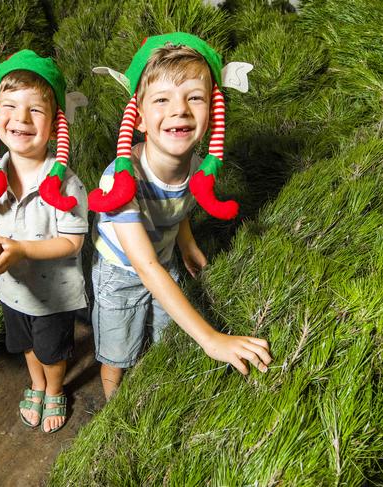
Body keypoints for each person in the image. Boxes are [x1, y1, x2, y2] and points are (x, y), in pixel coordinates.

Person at [87, 33, 272, 399]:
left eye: (195, 97)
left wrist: (186, 242)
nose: (180, 109)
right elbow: (144, 267)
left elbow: (179, 206)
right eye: (161, 99)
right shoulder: (121, 179)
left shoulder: (198, 167)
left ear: (213, 110)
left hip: (165, 258)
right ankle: (113, 400)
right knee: (118, 349)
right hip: (122, 273)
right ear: (138, 117)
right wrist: (211, 338)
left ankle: (151, 390)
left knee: (164, 335)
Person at [0, 50, 88, 433]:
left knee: (52, 352)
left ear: (54, 125)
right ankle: (35, 383)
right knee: (27, 347)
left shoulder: (66, 183)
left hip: (55, 296)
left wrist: (21, 249)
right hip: (14, 291)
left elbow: (71, 243)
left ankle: (54, 388)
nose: (20, 119)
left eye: (35, 110)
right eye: (10, 106)